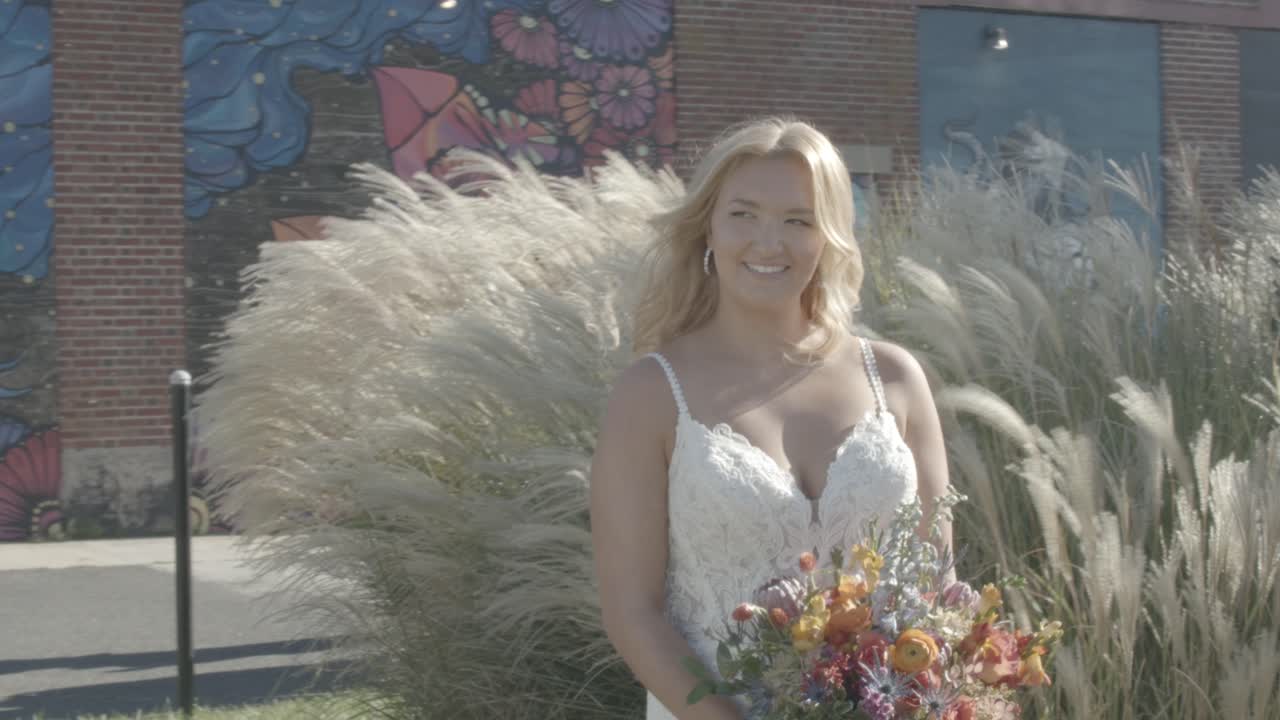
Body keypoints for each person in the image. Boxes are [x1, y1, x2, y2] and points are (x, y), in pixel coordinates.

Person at [588, 117, 953, 720]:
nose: (768, 242)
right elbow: (633, 612)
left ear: (829, 236)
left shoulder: (895, 380)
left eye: (798, 220)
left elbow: (935, 588)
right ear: (707, 226)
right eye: (743, 214)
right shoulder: (651, 394)